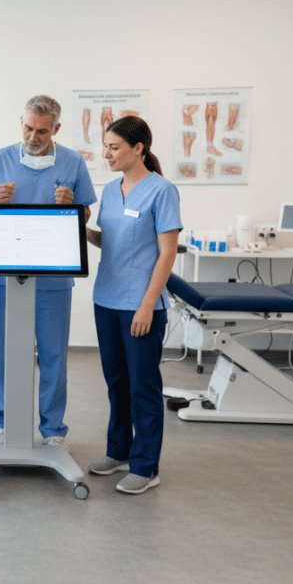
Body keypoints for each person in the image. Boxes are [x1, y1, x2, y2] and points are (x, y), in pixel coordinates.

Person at [0, 95, 97, 449]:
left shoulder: (73, 162)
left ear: (55, 129)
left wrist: (72, 206)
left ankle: (53, 430)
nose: (33, 136)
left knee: (54, 354)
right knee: (7, 351)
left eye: (42, 131)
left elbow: (85, 214)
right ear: (21, 122)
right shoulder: (1, 158)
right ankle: (4, 422)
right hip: (7, 276)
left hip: (53, 277)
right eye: (28, 127)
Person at [86, 116, 181, 495]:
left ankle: (146, 465)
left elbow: (166, 253)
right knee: (116, 382)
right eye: (105, 146)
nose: (105, 154)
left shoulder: (162, 190)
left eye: (114, 147)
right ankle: (119, 451)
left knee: (143, 385)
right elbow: (109, 242)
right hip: (106, 299)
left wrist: (147, 305)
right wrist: (80, 227)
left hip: (140, 306)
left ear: (138, 149)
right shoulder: (110, 191)